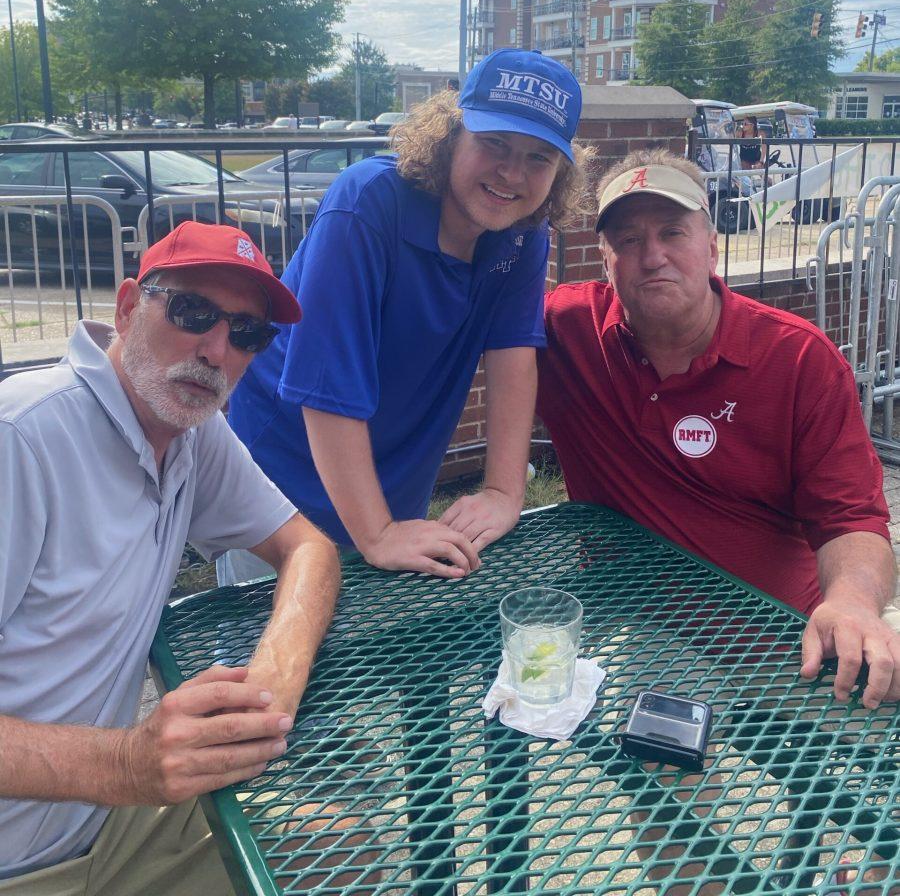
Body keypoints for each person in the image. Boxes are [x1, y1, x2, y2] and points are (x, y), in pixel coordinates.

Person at [0, 221, 340, 891]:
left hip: (104, 824)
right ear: (128, 307)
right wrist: (127, 763)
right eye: (192, 312)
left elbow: (309, 547)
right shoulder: (23, 439)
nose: (216, 350)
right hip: (23, 860)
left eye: (248, 333)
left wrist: (272, 684)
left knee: (337, 848)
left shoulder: (189, 432)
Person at [538, 148, 899, 709]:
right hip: (652, 628)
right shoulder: (565, 331)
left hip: (786, 625)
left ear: (712, 245)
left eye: (673, 232)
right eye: (629, 240)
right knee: (665, 777)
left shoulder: (798, 358)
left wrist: (852, 601)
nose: (652, 256)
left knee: (855, 774)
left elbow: (851, 516)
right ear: (605, 258)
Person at [224, 48, 590, 582]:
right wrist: (376, 533)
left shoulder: (523, 231)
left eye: (540, 157)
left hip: (393, 482)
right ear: (450, 136)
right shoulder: (368, 203)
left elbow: (514, 355)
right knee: (273, 655)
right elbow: (327, 385)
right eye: (495, 143)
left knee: (378, 653)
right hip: (283, 482)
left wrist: (504, 492)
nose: (513, 172)